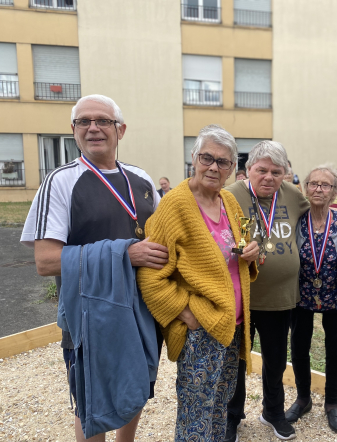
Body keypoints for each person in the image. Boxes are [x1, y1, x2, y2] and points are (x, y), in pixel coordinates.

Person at [20, 94, 169, 442]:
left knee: (139, 382)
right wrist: (124, 255)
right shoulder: (60, 182)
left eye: (102, 121)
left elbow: (166, 238)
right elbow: (45, 261)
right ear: (73, 131)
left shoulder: (142, 180)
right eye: (83, 122)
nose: (93, 128)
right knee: (91, 397)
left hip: (142, 307)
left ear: (121, 130)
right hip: (88, 311)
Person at [137, 125, 259, 441]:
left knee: (220, 408)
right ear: (193, 159)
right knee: (195, 415)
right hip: (201, 328)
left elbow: (241, 247)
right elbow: (150, 275)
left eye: (223, 162)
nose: (214, 167)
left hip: (233, 325)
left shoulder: (229, 202)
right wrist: (185, 313)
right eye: (207, 158)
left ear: (233, 169)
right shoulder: (174, 205)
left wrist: (251, 252)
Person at [224, 141, 310, 441]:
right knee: (235, 361)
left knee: (275, 359)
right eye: (262, 170)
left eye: (276, 172)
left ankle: (272, 411)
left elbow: (317, 217)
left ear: (285, 173)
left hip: (281, 298)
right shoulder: (229, 196)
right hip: (240, 298)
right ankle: (232, 416)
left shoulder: (295, 197)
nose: (269, 177)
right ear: (248, 171)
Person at [286, 165, 337, 433]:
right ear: (306, 188)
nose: (319, 189)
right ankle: (303, 398)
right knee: (299, 347)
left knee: (336, 350)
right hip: (302, 295)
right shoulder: (296, 221)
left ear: (335, 191)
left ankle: (332, 403)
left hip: (336, 296)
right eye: (314, 184)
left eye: (326, 185)